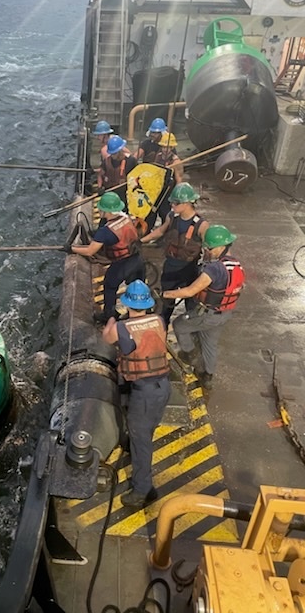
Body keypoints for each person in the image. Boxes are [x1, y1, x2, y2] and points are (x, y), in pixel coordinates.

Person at [102, 280, 171, 508]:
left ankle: (143, 490)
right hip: (162, 386)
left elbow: (107, 337)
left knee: (141, 440)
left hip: (145, 392)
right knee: (147, 430)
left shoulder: (122, 328)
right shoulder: (159, 320)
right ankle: (136, 450)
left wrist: (113, 316)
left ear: (127, 304)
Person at [162, 225, 245, 390]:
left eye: (211, 248)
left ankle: (189, 355)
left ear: (222, 247)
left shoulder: (214, 269)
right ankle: (207, 376)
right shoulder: (235, 264)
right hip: (225, 312)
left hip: (209, 313)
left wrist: (164, 294)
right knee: (209, 343)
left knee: (180, 325)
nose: (208, 250)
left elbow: (191, 290)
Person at [141, 183, 209, 329]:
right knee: (164, 305)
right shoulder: (171, 217)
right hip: (170, 268)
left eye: (176, 203)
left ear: (186, 203)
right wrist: (140, 241)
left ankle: (191, 331)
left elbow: (210, 249)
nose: (172, 205)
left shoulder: (201, 225)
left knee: (192, 305)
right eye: (172, 202)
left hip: (189, 270)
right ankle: (162, 328)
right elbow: (160, 231)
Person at [70, 192, 144, 323]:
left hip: (122, 263)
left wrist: (71, 248)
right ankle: (137, 314)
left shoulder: (106, 231)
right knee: (136, 287)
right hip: (138, 259)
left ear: (105, 211)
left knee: (110, 285)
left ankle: (109, 315)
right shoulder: (126, 217)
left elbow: (90, 251)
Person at [145, 131, 184, 231]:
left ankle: (165, 234)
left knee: (165, 214)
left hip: (168, 192)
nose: (165, 149)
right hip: (157, 191)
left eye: (168, 147)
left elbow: (179, 179)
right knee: (151, 213)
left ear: (172, 148)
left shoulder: (175, 162)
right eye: (163, 147)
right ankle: (147, 232)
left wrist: (176, 197)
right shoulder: (157, 156)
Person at [97, 135, 138, 206]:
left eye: (115, 153)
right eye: (111, 154)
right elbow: (100, 174)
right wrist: (100, 187)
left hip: (124, 195)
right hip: (110, 193)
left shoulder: (130, 161)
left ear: (120, 151)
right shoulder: (107, 161)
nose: (112, 156)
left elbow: (137, 177)